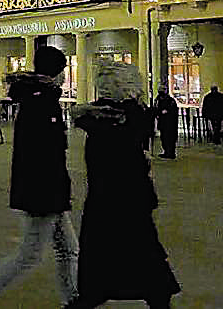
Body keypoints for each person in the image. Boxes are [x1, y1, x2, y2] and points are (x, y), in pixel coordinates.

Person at [0, 46, 78, 309]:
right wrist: (52, 189)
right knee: (31, 253)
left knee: (68, 249)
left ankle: (73, 299)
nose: (63, 76)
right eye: (62, 71)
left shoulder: (41, 98)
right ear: (54, 72)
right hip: (43, 191)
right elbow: (42, 152)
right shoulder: (40, 101)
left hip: (49, 188)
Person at [65, 61, 180, 309]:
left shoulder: (115, 118)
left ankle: (104, 292)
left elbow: (84, 116)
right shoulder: (125, 116)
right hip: (125, 194)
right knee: (135, 248)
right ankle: (145, 293)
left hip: (116, 195)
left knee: (123, 248)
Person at [153, 86, 179, 159]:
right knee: (164, 137)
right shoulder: (158, 100)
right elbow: (156, 109)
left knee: (169, 137)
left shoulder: (170, 100)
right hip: (163, 122)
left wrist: (164, 112)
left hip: (169, 122)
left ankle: (170, 152)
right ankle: (167, 151)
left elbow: (173, 111)